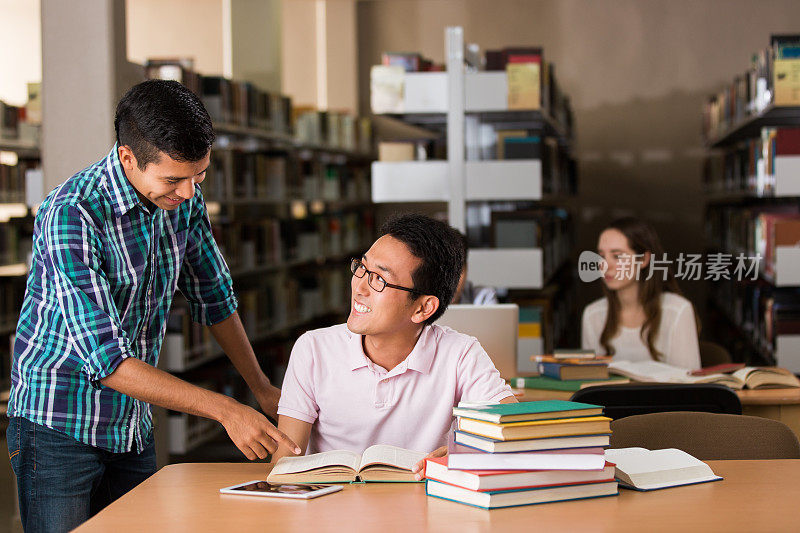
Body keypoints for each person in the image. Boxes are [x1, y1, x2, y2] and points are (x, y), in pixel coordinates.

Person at [6, 80, 299, 533]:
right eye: (173, 179)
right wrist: (225, 409)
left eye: (198, 176)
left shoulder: (183, 201)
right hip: (58, 425)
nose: (187, 193)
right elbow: (107, 361)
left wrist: (260, 387)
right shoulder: (72, 213)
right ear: (128, 158)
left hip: (129, 423)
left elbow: (214, 297)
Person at [273, 213, 516, 478]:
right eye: (362, 268)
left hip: (425, 510)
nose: (359, 287)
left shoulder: (461, 353)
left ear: (423, 308)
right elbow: (283, 466)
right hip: (333, 510)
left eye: (379, 279)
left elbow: (515, 432)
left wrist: (469, 451)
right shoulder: (313, 349)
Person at [581, 217, 701, 369]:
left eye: (617, 256)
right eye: (602, 256)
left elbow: (690, 386)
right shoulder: (592, 315)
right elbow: (591, 383)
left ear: (643, 259)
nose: (606, 265)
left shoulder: (678, 311)